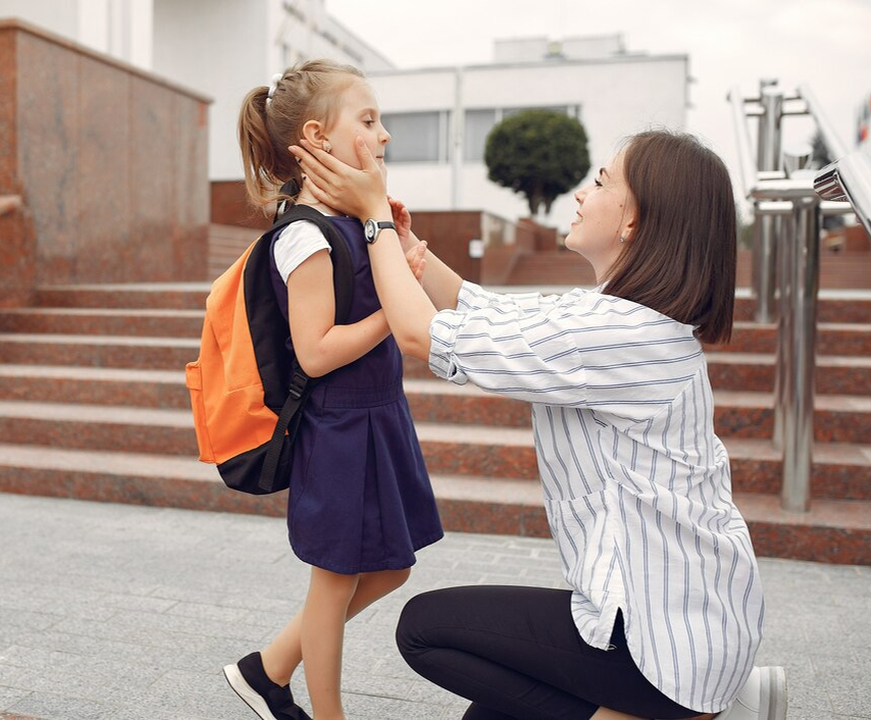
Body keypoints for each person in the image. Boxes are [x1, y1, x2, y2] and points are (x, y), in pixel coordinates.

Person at [288, 129, 788, 720]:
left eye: (601, 182)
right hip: (688, 614)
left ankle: (672, 714)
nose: (582, 194)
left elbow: (423, 334)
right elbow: (476, 307)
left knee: (426, 629)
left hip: (663, 640)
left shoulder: (618, 333)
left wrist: (374, 221)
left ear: (634, 221)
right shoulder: (616, 316)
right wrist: (400, 235)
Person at [224, 60, 444, 720]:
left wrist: (397, 250)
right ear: (317, 137)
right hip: (341, 429)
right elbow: (316, 354)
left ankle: (266, 670)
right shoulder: (303, 237)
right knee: (335, 579)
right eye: (369, 120)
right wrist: (393, 311)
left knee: (391, 567)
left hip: (379, 418)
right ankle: (324, 713)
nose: (382, 137)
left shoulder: (355, 220)